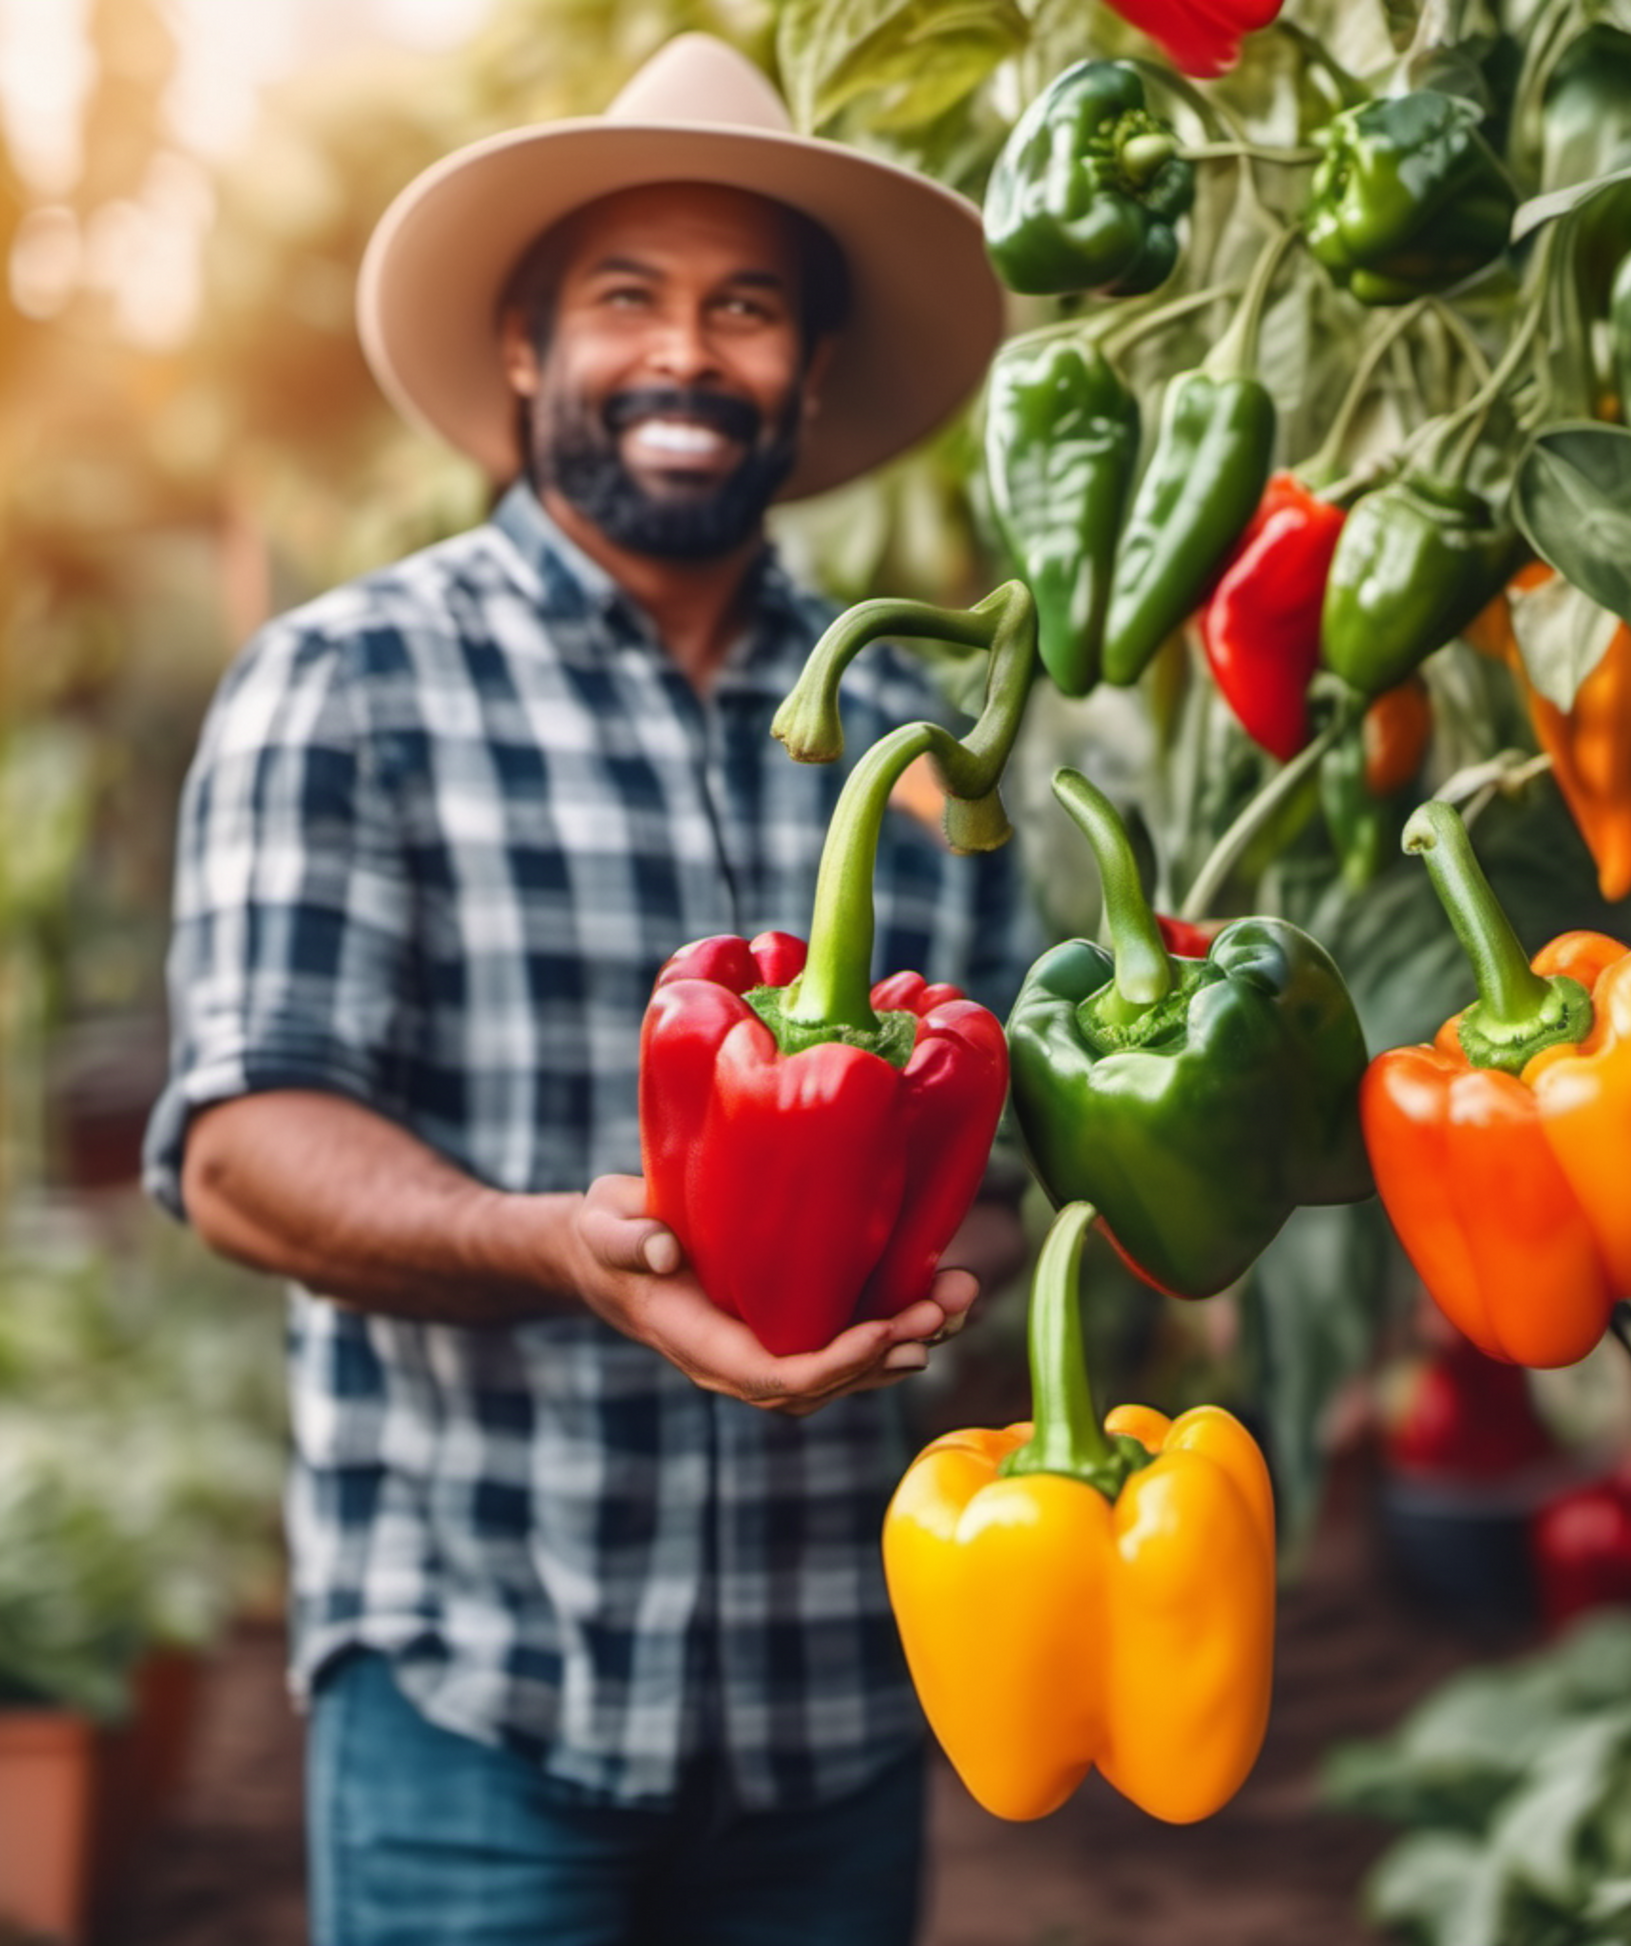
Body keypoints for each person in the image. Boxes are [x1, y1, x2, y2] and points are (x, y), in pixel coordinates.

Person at [142, 34, 1040, 1946]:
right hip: (484, 1684)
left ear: (805, 377)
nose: (686, 354)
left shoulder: (917, 725)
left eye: (746, 309)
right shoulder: (349, 682)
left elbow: (994, 1147)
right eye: (626, 299)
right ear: (528, 358)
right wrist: (557, 1244)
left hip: (842, 1691)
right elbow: (239, 1147)